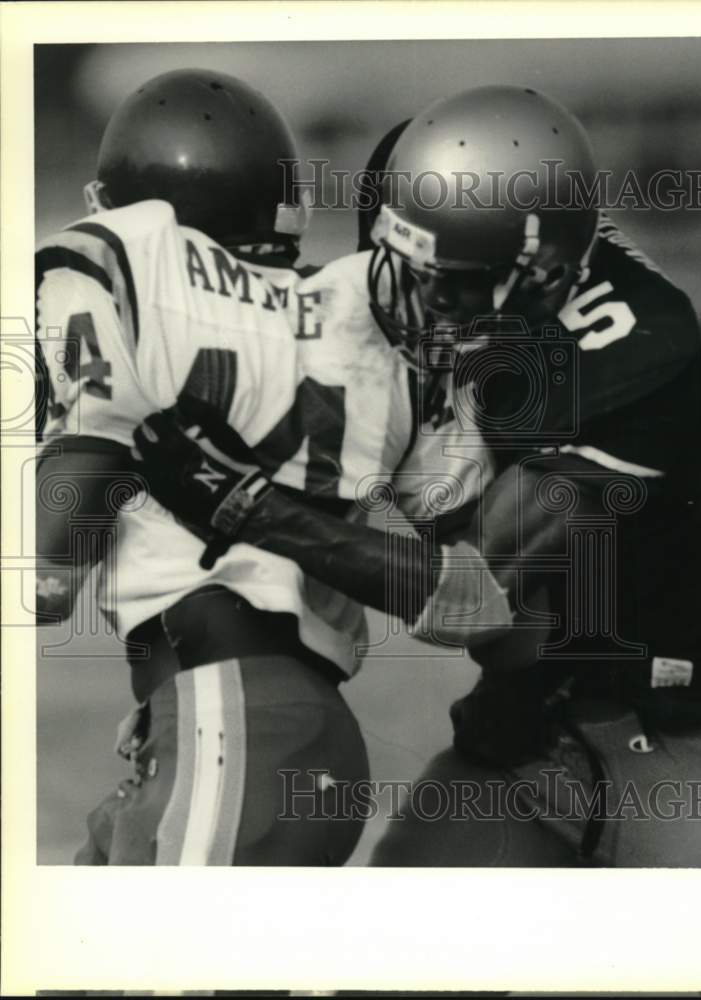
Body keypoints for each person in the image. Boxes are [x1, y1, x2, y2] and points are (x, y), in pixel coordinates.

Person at [132, 85, 701, 867]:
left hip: (689, 735)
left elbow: (469, 598)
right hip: (522, 727)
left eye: (458, 284)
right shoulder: (423, 184)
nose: (423, 302)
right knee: (392, 968)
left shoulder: (636, 355)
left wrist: (248, 506)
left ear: (545, 279)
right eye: (412, 266)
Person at [37, 68, 489, 865]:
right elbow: (470, 606)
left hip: (225, 721)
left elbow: (55, 549)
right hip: (282, 731)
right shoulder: (364, 321)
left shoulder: (121, 260)